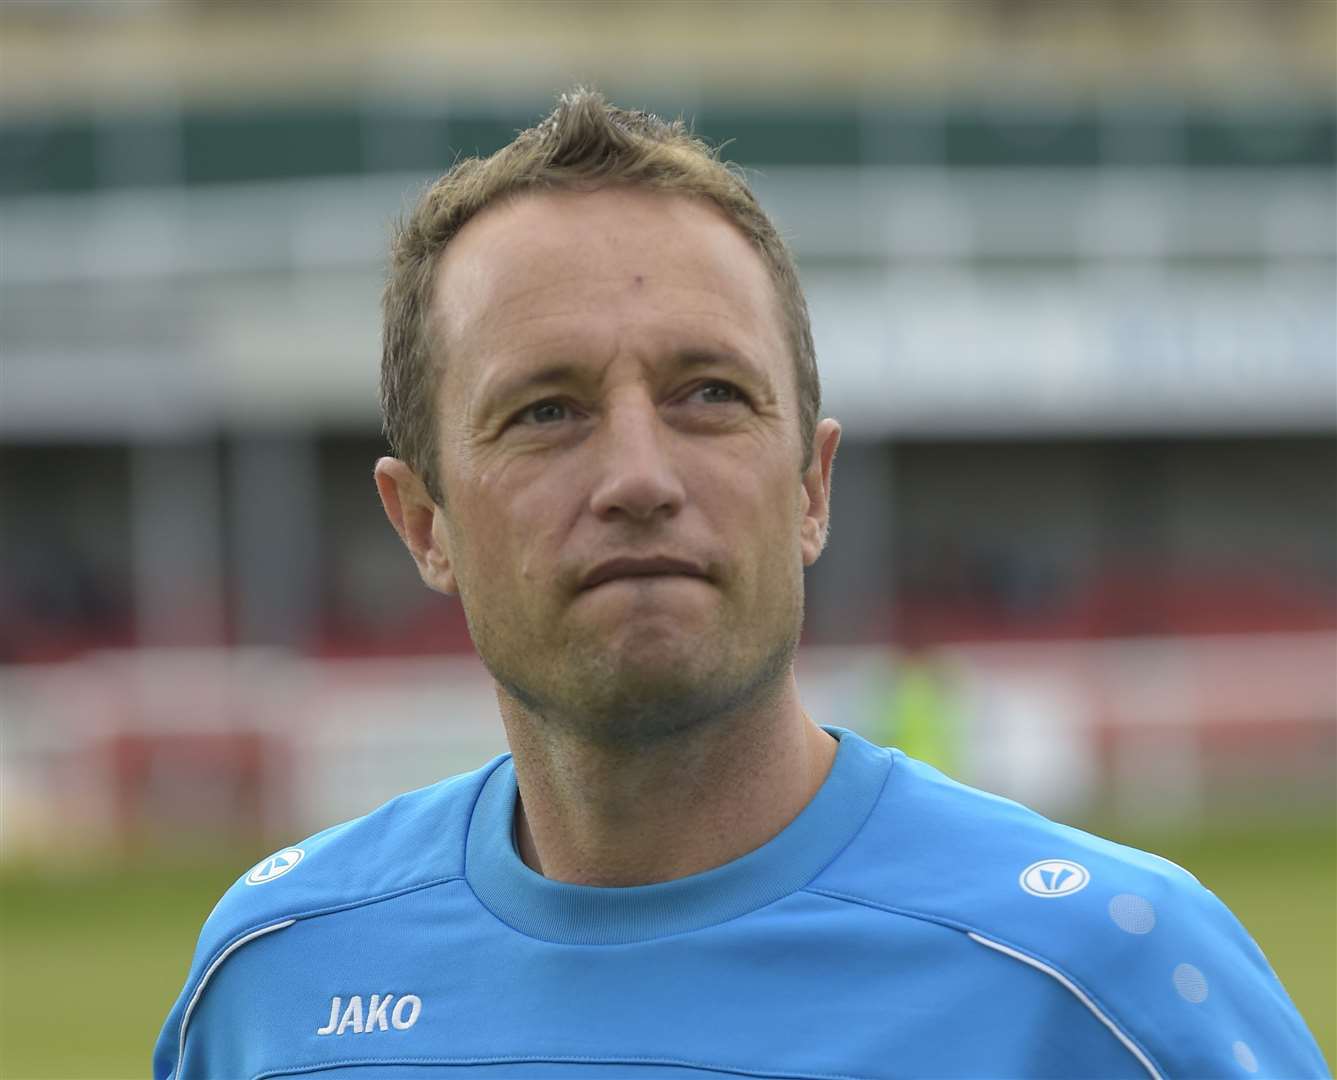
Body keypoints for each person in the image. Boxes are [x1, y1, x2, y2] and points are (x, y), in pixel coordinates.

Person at [155, 90, 1327, 1080]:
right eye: (545, 411)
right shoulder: (273, 979)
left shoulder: (1102, 976)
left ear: (811, 487)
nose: (637, 476)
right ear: (423, 524)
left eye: (708, 394)